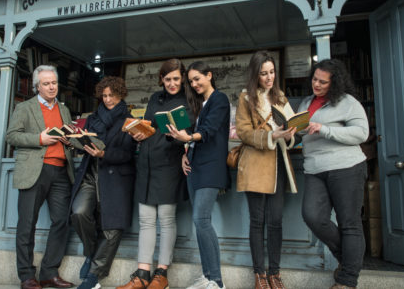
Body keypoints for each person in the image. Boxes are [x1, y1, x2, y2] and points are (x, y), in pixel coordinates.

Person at [118, 59, 192, 289]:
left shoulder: (189, 101)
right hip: (147, 165)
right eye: (167, 79)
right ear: (161, 79)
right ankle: (142, 273)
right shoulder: (154, 99)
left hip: (170, 164)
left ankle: (162, 273)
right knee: (146, 220)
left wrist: (185, 143)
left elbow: (191, 134)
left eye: (176, 79)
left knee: (166, 219)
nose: (171, 83)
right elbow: (149, 126)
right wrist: (139, 133)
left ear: (182, 79)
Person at [298, 59, 369, 289]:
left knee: (349, 223)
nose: (316, 84)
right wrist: (287, 133)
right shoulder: (306, 103)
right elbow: (299, 134)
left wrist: (325, 129)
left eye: (322, 82)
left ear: (334, 83)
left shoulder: (347, 102)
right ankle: (351, 261)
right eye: (314, 79)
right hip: (314, 169)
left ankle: (347, 280)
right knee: (313, 216)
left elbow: (361, 133)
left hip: (346, 168)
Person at [5, 65, 75, 289]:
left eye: (54, 82)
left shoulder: (63, 109)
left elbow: (66, 136)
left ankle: (49, 273)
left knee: (61, 222)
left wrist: (70, 139)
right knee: (27, 225)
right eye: (46, 83)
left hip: (61, 171)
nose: (52, 87)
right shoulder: (25, 108)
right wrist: (39, 139)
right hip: (35, 170)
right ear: (37, 86)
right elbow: (12, 136)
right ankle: (26, 276)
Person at [235, 51, 297, 289]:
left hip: (279, 162)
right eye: (264, 73)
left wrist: (292, 133)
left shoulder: (280, 96)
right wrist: (272, 135)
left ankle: (275, 273)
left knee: (276, 221)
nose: (269, 77)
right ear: (255, 74)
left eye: (272, 72)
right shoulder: (245, 98)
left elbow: (292, 125)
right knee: (257, 221)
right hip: (256, 164)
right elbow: (243, 132)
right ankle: (259, 274)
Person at [167, 61, 230, 289]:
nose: (194, 84)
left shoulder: (219, 99)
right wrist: (186, 151)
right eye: (191, 81)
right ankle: (208, 276)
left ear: (209, 75)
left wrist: (187, 139)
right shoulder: (202, 104)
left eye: (197, 79)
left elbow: (208, 132)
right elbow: (196, 136)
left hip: (211, 168)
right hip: (194, 167)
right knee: (200, 222)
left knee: (202, 220)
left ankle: (217, 281)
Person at [70, 76, 136, 289]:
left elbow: (127, 154)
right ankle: (91, 254)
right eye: (104, 96)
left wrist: (104, 153)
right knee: (79, 212)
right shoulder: (93, 117)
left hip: (116, 176)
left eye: (112, 96)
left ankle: (93, 276)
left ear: (120, 95)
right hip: (90, 173)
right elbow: (85, 143)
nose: (107, 100)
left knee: (112, 229)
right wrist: (76, 140)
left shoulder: (129, 119)